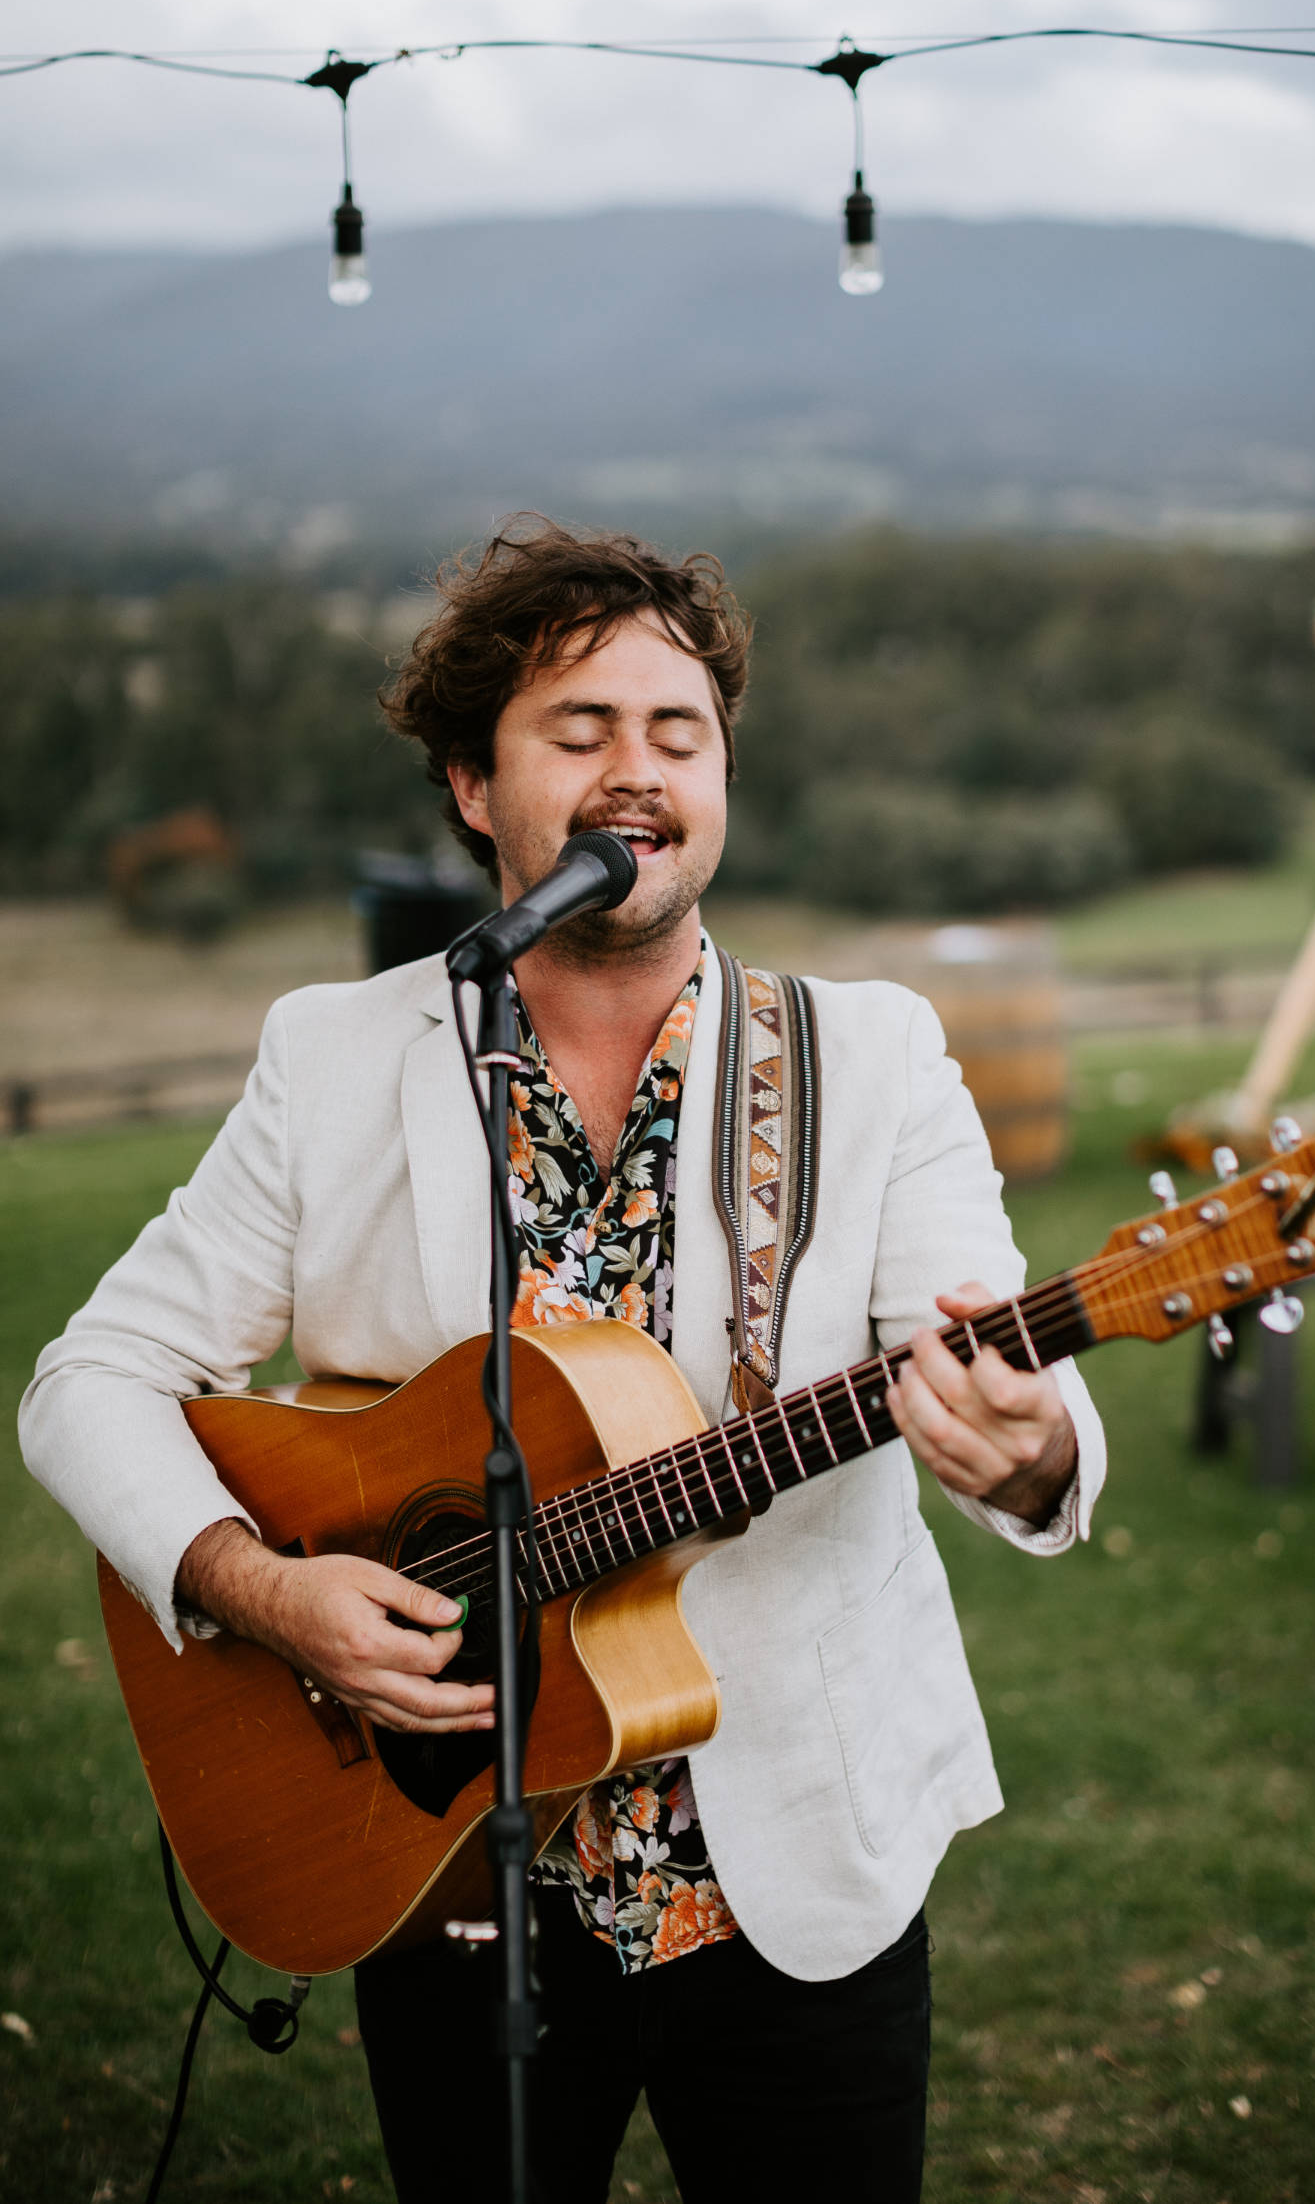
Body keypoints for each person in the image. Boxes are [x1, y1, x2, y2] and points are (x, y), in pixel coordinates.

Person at [21, 521, 1106, 2204]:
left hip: (797, 1876)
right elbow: (89, 1380)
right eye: (578, 729)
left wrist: (1029, 1441)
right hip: (447, 1847)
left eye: (679, 732)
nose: (638, 773)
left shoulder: (868, 1053)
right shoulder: (338, 1057)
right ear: (473, 786)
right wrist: (261, 1587)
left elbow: (981, 1334)